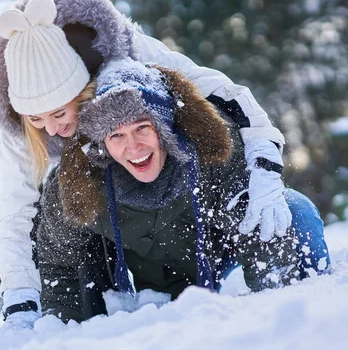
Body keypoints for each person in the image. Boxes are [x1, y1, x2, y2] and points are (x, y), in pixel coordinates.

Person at [0, 0, 294, 328]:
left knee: (290, 215)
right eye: (37, 120)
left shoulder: (130, 60)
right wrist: (19, 298)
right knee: (67, 222)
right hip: (119, 228)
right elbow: (15, 213)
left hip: (187, 204)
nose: (51, 130)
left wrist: (264, 164)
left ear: (82, 87)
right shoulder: (21, 124)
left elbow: (224, 92)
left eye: (58, 113)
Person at [29, 58, 330, 322]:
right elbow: (60, 261)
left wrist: (276, 312)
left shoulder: (211, 149)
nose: (133, 147)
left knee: (291, 211)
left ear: (163, 127)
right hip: (155, 286)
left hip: (221, 261)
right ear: (102, 144)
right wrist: (70, 332)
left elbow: (256, 225)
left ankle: (306, 303)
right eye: (116, 135)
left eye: (142, 128)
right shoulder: (79, 182)